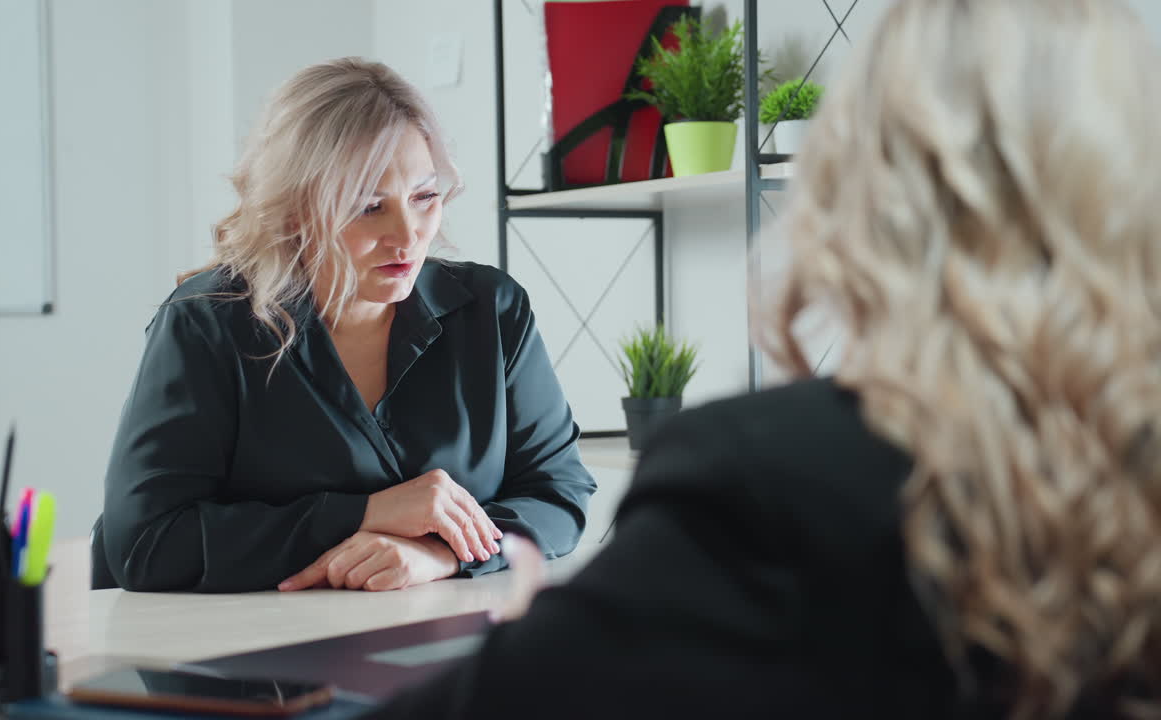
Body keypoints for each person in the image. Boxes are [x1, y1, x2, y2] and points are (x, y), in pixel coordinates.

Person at [364, 0, 1161, 717]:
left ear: (864, 187)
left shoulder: (761, 482)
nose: (406, 230)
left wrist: (530, 649)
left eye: (425, 196)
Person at [93, 58, 596, 593]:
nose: (407, 236)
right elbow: (146, 544)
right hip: (244, 657)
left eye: (424, 197)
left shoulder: (491, 309)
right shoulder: (204, 323)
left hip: (434, 645)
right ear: (293, 212)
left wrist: (440, 551)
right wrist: (366, 514)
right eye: (368, 207)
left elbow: (559, 494)